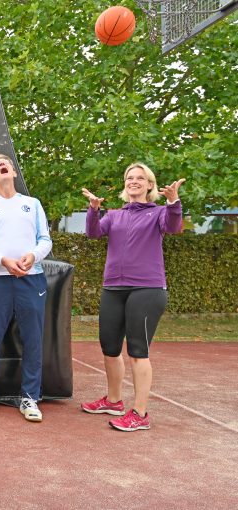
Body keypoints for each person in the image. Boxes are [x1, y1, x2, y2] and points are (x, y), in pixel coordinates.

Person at [80, 163, 185, 432]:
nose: (134, 181)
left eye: (140, 178)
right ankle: (114, 401)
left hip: (147, 289)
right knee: (109, 347)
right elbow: (93, 233)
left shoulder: (159, 213)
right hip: (114, 288)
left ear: (150, 185)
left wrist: (173, 202)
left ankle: (140, 413)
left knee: (138, 350)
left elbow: (173, 227)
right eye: (129, 177)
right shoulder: (114, 215)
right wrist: (93, 210)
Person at [0, 154, 52, 422]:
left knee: (32, 340)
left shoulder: (32, 204)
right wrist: (3, 261)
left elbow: (45, 240)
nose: (2, 164)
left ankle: (30, 398)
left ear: (14, 172)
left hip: (32, 279)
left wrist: (33, 256)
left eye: (6, 162)